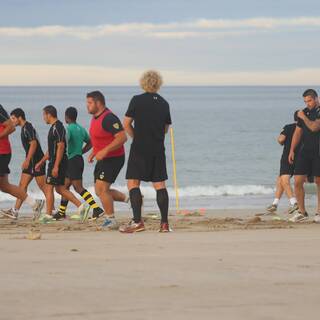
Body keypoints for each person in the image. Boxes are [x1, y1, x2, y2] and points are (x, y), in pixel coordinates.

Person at [120, 70, 172, 233]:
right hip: (157, 148)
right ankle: (164, 224)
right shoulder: (164, 103)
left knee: (133, 183)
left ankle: (137, 222)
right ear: (158, 83)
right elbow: (165, 129)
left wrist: (136, 137)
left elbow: (126, 124)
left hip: (140, 148)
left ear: (143, 83)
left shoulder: (137, 100)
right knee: (160, 185)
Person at [35, 105, 89, 221]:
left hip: (57, 162)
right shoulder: (54, 127)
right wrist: (41, 162)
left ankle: (48, 215)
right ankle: (81, 206)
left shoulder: (58, 127)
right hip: (57, 162)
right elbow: (51, 149)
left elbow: (61, 147)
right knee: (60, 189)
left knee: (49, 188)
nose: (43, 118)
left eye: (44, 115)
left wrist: (55, 166)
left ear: (49, 114)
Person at [0, 108, 54, 219]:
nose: (12, 121)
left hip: (36, 161)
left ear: (20, 118)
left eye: (13, 118)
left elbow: (33, 144)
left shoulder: (27, 128)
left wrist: (28, 160)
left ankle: (51, 211)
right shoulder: (25, 128)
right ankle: (15, 210)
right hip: (31, 161)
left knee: (44, 187)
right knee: (22, 186)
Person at [86, 91, 128, 229]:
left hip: (114, 158)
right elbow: (101, 138)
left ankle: (111, 220)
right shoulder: (95, 117)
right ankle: (131, 199)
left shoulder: (109, 118)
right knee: (99, 191)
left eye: (90, 103)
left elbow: (122, 138)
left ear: (98, 103)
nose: (87, 106)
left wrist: (104, 150)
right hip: (103, 158)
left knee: (103, 189)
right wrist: (94, 151)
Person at [54, 106, 105, 220]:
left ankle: (97, 209)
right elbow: (91, 142)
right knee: (65, 186)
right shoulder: (81, 129)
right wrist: (81, 151)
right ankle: (61, 212)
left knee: (78, 187)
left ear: (66, 117)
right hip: (78, 159)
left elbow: (63, 143)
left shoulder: (68, 129)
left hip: (71, 160)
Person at [288, 89, 320, 223]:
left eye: (310, 100)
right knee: (297, 181)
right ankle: (302, 212)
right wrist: (292, 150)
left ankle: (318, 212)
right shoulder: (304, 112)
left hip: (318, 151)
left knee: (319, 182)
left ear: (316, 98)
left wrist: (303, 116)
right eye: (305, 101)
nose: (308, 104)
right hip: (304, 152)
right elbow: (298, 132)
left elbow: (314, 127)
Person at [266, 111, 299, 214]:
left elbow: (280, 139)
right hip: (302, 157)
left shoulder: (289, 127)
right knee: (280, 179)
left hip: (288, 157)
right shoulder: (307, 129)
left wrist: (283, 141)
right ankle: (275, 204)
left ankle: (294, 203)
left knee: (284, 180)